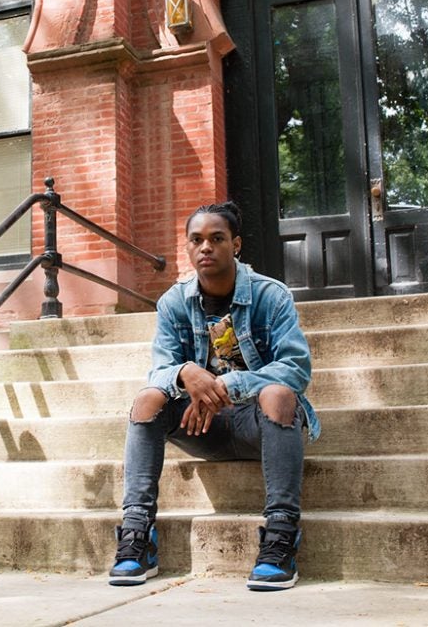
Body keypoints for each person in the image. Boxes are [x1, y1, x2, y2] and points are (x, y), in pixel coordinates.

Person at [108, 201, 319, 591]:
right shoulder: (173, 303)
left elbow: (295, 367)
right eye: (197, 240)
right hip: (202, 426)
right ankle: (137, 537)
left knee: (278, 393)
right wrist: (186, 372)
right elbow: (160, 370)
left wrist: (230, 385)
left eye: (217, 238)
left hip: (261, 424)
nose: (206, 247)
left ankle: (281, 536)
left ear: (235, 244)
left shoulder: (270, 296)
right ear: (187, 248)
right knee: (147, 399)